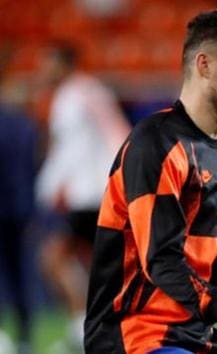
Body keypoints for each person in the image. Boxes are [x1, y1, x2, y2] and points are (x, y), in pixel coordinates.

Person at [84, 10, 217, 354]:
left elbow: (204, 254)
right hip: (139, 338)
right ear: (204, 65)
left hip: (193, 339)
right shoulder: (157, 142)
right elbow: (161, 260)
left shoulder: (215, 154)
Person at [35, 41, 131, 350]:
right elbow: (119, 133)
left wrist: (46, 189)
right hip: (102, 194)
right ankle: (96, 329)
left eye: (49, 62)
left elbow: (71, 150)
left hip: (89, 196)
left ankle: (85, 328)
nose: (43, 70)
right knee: (95, 267)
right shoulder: (91, 91)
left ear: (65, 64)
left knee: (54, 259)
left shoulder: (72, 96)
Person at [0, 48, 38, 354]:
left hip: (12, 205)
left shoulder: (17, 119)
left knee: (14, 272)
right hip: (19, 206)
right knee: (18, 272)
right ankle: (24, 336)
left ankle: (18, 335)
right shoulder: (23, 120)